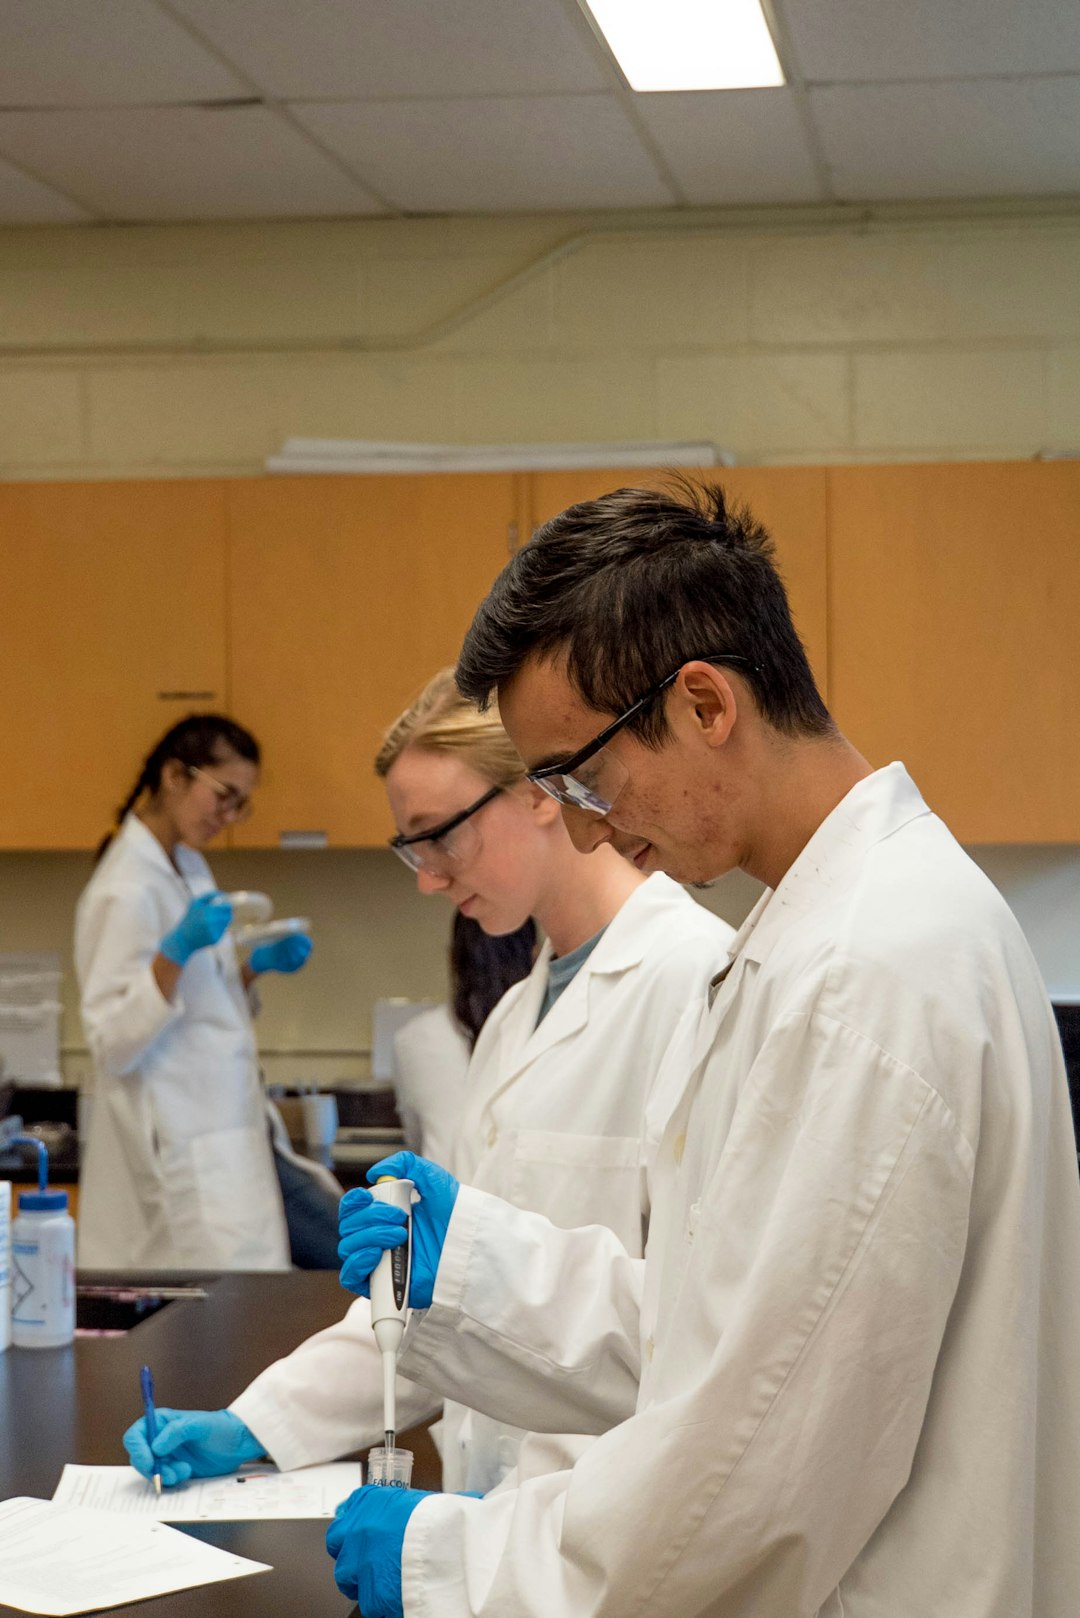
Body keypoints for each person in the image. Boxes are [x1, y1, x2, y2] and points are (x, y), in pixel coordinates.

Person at [328, 483, 1080, 1618]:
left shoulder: (864, 976)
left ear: (705, 703)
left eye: (582, 776)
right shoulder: (819, 935)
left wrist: (462, 1561)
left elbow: (754, 1467)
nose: (583, 826)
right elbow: (718, 1334)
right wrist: (478, 1266)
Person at [122, 669, 732, 1496]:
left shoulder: (695, 981)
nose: (428, 877)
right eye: (413, 846)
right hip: (497, 1527)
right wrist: (257, 1424)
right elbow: (448, 1308)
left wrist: (511, 1542)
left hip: (599, 1535)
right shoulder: (516, 1018)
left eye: (441, 834)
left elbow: (700, 1341)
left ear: (543, 794)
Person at [76, 714, 312, 1270]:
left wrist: (251, 970)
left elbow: (201, 1004)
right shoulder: (124, 888)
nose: (228, 817)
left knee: (248, 1306)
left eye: (241, 804)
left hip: (224, 1129)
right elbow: (112, 1039)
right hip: (180, 1140)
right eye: (224, 796)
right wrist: (173, 952)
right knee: (214, 1323)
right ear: (175, 776)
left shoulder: (186, 864)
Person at [391, 913, 537, 1165]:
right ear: (536, 957)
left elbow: (416, 1137)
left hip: (439, 1198)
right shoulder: (544, 1032)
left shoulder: (415, 1038)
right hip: (516, 1199)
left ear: (452, 958)